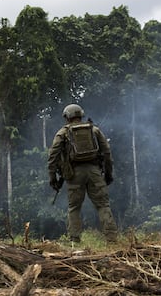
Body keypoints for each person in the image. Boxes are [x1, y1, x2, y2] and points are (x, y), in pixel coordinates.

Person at [48, 104, 118, 243]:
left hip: (74, 174)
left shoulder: (62, 133)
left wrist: (53, 179)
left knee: (74, 207)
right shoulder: (94, 130)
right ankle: (111, 240)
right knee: (103, 205)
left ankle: (74, 240)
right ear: (81, 115)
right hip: (94, 171)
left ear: (66, 117)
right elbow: (107, 153)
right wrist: (108, 174)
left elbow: (52, 157)